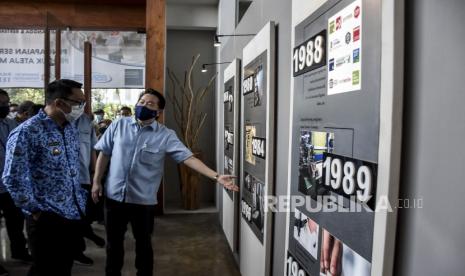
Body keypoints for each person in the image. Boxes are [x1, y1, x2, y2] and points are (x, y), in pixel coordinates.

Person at [92, 88, 238, 276]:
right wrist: (96, 182)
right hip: (114, 198)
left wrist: (217, 176)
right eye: (142, 102)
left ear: (158, 112)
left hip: (142, 201)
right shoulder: (118, 125)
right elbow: (105, 153)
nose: (144, 106)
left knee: (143, 245)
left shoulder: (165, 135)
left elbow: (188, 158)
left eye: (150, 104)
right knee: (114, 245)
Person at [2, 79, 87, 276]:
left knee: (64, 268)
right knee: (45, 270)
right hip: (46, 217)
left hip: (71, 212)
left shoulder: (70, 128)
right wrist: (34, 210)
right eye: (78, 102)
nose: (82, 107)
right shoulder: (27, 131)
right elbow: (12, 177)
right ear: (59, 103)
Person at [0, 90, 31, 263]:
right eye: (1, 104)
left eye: (6, 103)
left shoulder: (11, 124)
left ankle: (19, 251)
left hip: (10, 184)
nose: (4, 107)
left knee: (16, 222)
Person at [74, 112, 105, 266]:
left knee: (83, 214)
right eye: (77, 101)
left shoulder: (86, 122)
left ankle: (82, 243)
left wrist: (94, 173)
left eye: (82, 102)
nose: (80, 106)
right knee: (72, 218)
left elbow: (93, 148)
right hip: (63, 181)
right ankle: (77, 250)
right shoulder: (53, 122)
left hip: (83, 176)